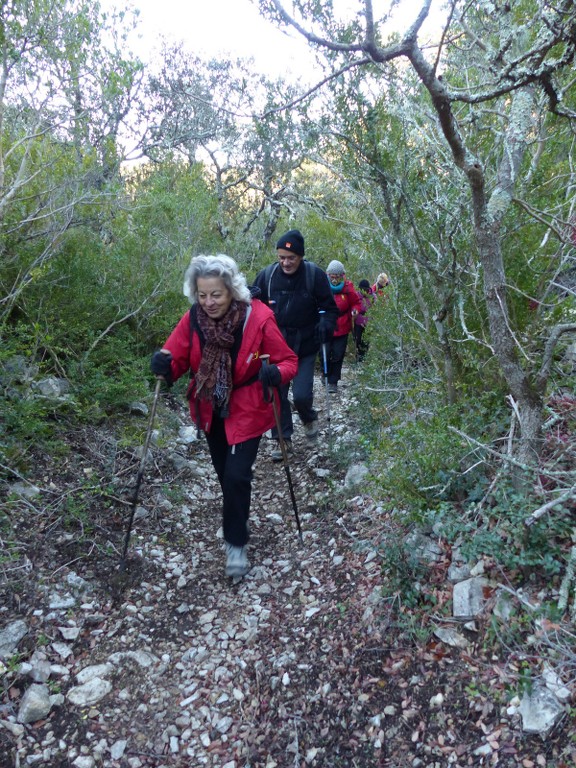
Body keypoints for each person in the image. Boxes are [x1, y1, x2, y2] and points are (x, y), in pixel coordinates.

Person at [151, 254, 298, 578]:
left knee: (236, 476)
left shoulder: (258, 317)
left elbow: (289, 361)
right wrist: (164, 366)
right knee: (225, 477)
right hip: (209, 409)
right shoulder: (193, 319)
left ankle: (236, 544)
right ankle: (237, 515)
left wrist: (275, 373)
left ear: (232, 289)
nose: (209, 302)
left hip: (247, 407)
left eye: (215, 294)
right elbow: (175, 357)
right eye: (202, 295)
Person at [253, 229, 338, 460]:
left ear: (300, 257)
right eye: (282, 257)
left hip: (306, 345)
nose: (286, 262)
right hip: (275, 347)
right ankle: (282, 440)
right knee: (277, 393)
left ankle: (309, 418)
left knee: (301, 395)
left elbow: (329, 309)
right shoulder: (267, 276)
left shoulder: (314, 275)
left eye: (291, 258)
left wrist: (325, 325)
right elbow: (253, 306)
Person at [324, 260, 363, 393]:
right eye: (331, 276)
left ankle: (333, 382)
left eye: (336, 276)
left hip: (343, 326)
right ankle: (326, 376)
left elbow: (356, 303)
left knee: (338, 354)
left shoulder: (348, 288)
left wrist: (355, 310)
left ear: (342, 275)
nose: (334, 279)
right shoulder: (322, 285)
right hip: (325, 326)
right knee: (324, 353)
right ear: (327, 274)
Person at [353, 279, 375, 362]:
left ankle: (363, 358)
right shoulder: (356, 296)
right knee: (358, 340)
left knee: (366, 341)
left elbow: (375, 309)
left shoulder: (372, 297)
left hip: (368, 322)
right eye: (362, 289)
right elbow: (354, 307)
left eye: (365, 289)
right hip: (358, 322)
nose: (363, 291)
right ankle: (358, 359)